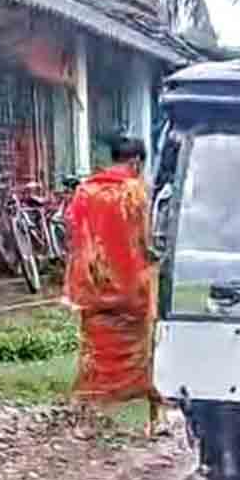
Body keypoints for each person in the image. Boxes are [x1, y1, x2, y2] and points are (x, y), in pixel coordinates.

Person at [63, 134, 164, 439]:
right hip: (132, 290)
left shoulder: (85, 191)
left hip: (94, 287)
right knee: (141, 353)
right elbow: (147, 241)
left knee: (95, 350)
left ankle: (85, 421)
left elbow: (74, 232)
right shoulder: (136, 193)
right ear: (136, 161)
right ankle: (154, 420)